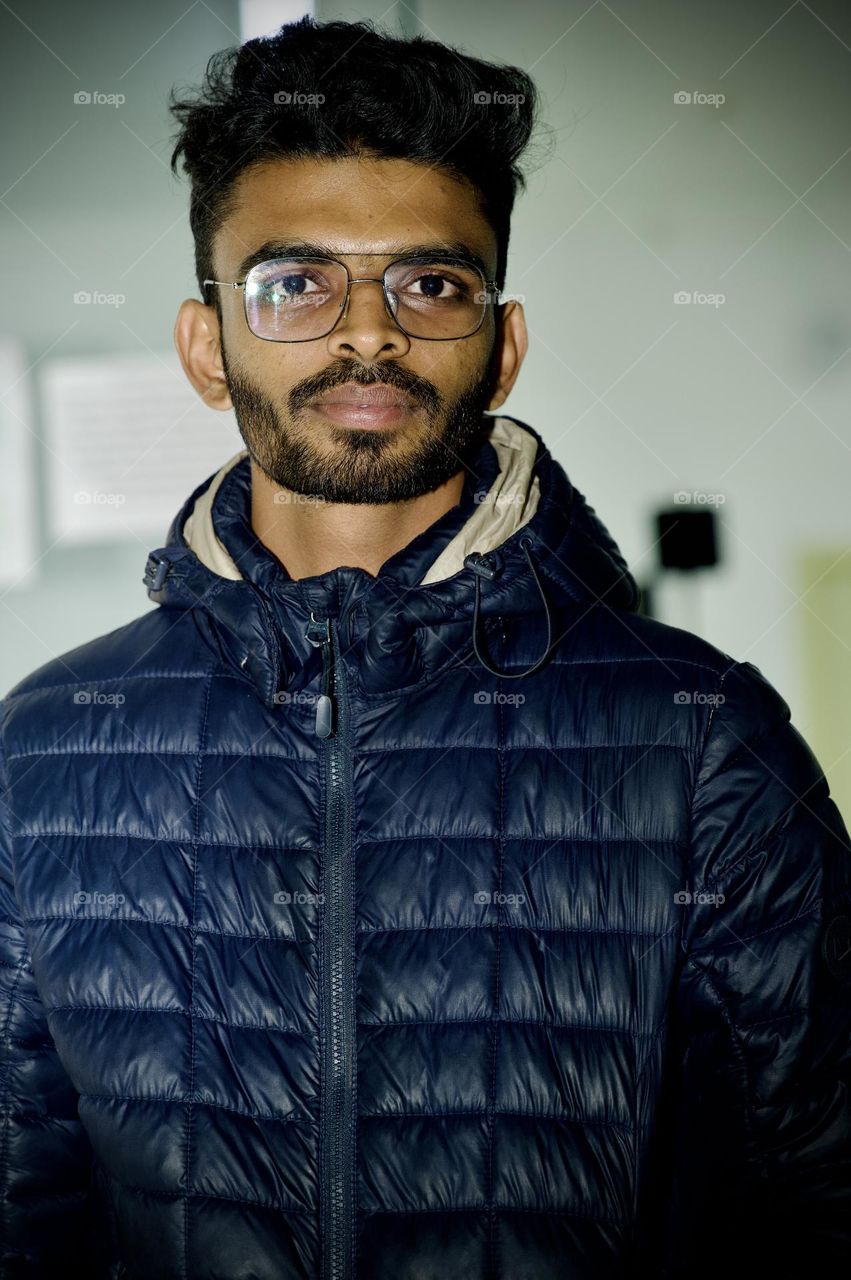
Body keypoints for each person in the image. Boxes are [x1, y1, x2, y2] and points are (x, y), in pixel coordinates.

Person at [1, 16, 849, 1280]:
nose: (368, 333)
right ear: (206, 347)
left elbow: (817, 1207)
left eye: (430, 284)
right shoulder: (47, 748)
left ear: (500, 348)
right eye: (294, 283)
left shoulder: (704, 742)